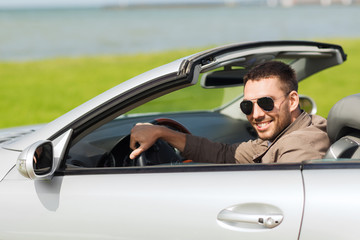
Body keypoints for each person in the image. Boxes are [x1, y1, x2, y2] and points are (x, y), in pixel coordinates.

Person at [129, 61, 331, 164]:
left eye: (266, 103)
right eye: (247, 106)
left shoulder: (299, 145)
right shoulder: (278, 135)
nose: (256, 114)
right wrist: (163, 133)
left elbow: (284, 202)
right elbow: (226, 154)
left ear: (293, 100)